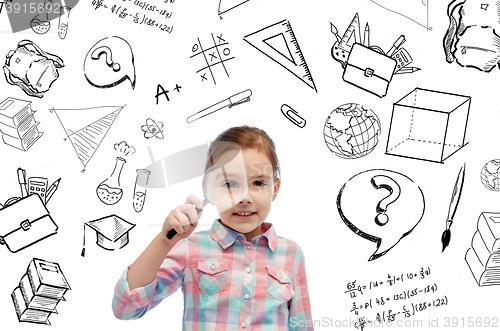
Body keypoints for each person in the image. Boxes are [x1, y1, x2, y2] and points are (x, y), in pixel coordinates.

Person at [112, 126, 313, 330]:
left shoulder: (292, 254)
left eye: (258, 182)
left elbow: (302, 325)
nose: (244, 197)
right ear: (209, 188)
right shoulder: (191, 248)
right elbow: (125, 309)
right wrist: (164, 241)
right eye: (230, 184)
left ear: (275, 189)